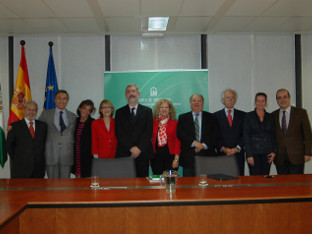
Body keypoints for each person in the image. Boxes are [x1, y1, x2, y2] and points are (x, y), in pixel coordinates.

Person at [115, 84, 153, 177]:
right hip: (125, 153)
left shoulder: (147, 111)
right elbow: (119, 133)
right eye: (128, 92)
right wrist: (131, 148)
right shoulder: (119, 112)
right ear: (125, 95)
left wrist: (139, 149)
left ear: (138, 94)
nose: (131, 94)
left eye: (133, 91)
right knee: (125, 184)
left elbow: (148, 132)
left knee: (142, 186)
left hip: (142, 153)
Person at [177, 94, 219, 177]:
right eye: (194, 100)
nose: (196, 103)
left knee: (207, 185)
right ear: (190, 103)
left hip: (207, 157)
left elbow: (215, 134)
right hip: (188, 158)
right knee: (189, 186)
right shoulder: (183, 117)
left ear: (203, 103)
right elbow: (180, 134)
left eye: (199, 100)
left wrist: (202, 145)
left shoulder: (211, 117)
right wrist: (194, 143)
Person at [272, 88, 312, 174]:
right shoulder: (273, 115)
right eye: (279, 98)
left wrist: (308, 153)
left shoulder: (301, 113)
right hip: (280, 158)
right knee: (282, 185)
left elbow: (308, 135)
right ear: (277, 100)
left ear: (289, 98)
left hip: (297, 156)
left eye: (284, 97)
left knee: (297, 184)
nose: (282, 100)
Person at [39, 90, 76, 178]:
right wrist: (16, 126)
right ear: (55, 100)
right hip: (51, 154)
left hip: (67, 155)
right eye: (59, 98)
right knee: (52, 185)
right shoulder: (45, 115)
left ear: (67, 101)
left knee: (65, 186)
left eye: (64, 99)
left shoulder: (73, 116)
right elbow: (36, 127)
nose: (61, 101)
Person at [7, 100, 47, 178]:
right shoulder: (15, 126)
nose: (31, 112)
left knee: (38, 190)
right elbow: (9, 146)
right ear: (24, 111)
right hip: (20, 169)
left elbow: (44, 144)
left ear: (36, 111)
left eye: (34, 110)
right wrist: (18, 159)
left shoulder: (43, 126)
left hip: (38, 169)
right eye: (29, 109)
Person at [243, 92, 276, 175]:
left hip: (268, 153)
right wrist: (249, 155)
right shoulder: (248, 116)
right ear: (255, 102)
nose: (260, 103)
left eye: (262, 101)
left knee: (265, 178)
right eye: (258, 101)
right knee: (255, 179)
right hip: (253, 154)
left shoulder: (270, 117)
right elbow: (246, 136)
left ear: (266, 102)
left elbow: (273, 135)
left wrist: (274, 152)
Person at [214, 89, 246, 175]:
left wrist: (237, 148)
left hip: (238, 155)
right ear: (223, 100)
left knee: (238, 182)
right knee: (222, 182)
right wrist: (223, 148)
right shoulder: (215, 116)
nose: (230, 99)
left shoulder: (243, 115)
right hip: (222, 154)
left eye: (232, 97)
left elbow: (245, 134)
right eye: (227, 97)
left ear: (235, 100)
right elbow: (214, 135)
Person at [151, 99, 180, 175]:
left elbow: (178, 141)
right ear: (158, 109)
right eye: (161, 107)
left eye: (166, 107)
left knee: (170, 181)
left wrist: (176, 159)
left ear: (170, 109)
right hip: (156, 157)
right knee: (157, 181)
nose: (164, 109)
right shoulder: (153, 122)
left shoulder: (175, 123)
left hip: (171, 157)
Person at [73, 99, 95, 178]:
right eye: (84, 108)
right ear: (80, 108)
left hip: (87, 157)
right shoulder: (74, 121)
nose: (86, 111)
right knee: (78, 180)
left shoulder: (93, 123)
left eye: (89, 110)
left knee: (87, 180)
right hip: (76, 155)